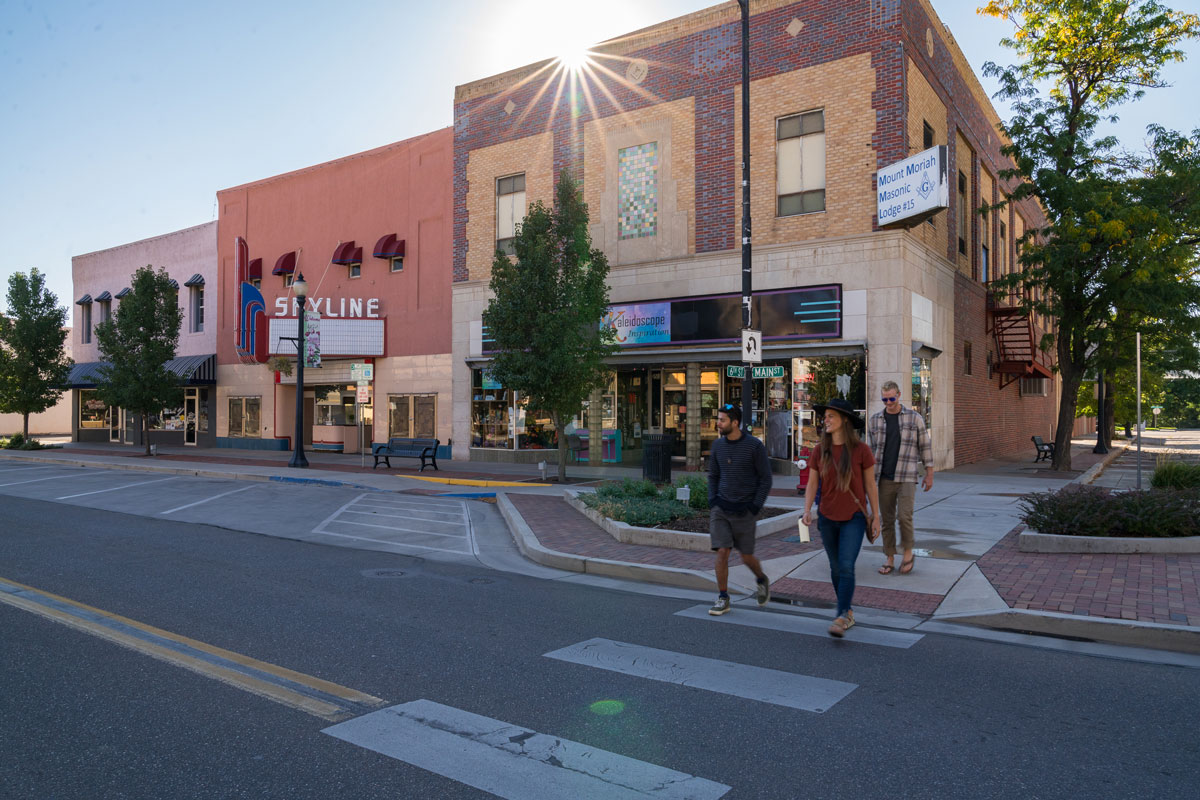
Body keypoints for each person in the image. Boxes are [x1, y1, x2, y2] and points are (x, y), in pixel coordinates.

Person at [801, 398, 881, 637]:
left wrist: (875, 516)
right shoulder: (819, 450)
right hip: (827, 517)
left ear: (844, 420)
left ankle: (842, 614)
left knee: (846, 566)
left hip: (854, 518)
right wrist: (807, 510)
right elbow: (813, 482)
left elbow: (870, 485)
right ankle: (846, 611)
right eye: (825, 417)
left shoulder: (861, 450)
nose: (825, 420)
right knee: (836, 568)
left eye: (831, 416)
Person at [707, 403, 773, 615]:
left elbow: (766, 479)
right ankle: (723, 597)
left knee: (746, 557)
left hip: (745, 510)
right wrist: (712, 500)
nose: (718, 423)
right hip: (721, 508)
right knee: (722, 552)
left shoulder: (754, 446)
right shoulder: (717, 446)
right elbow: (713, 475)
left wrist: (755, 506)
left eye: (722, 420)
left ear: (735, 423)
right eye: (718, 419)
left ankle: (761, 579)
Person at [867, 381, 934, 576]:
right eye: (884, 399)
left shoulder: (914, 418)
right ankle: (889, 557)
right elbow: (870, 451)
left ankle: (907, 553)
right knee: (886, 520)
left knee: (904, 517)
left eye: (891, 398)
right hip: (883, 477)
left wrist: (929, 473)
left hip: (906, 474)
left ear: (899, 395)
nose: (888, 402)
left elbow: (925, 446)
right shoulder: (875, 420)